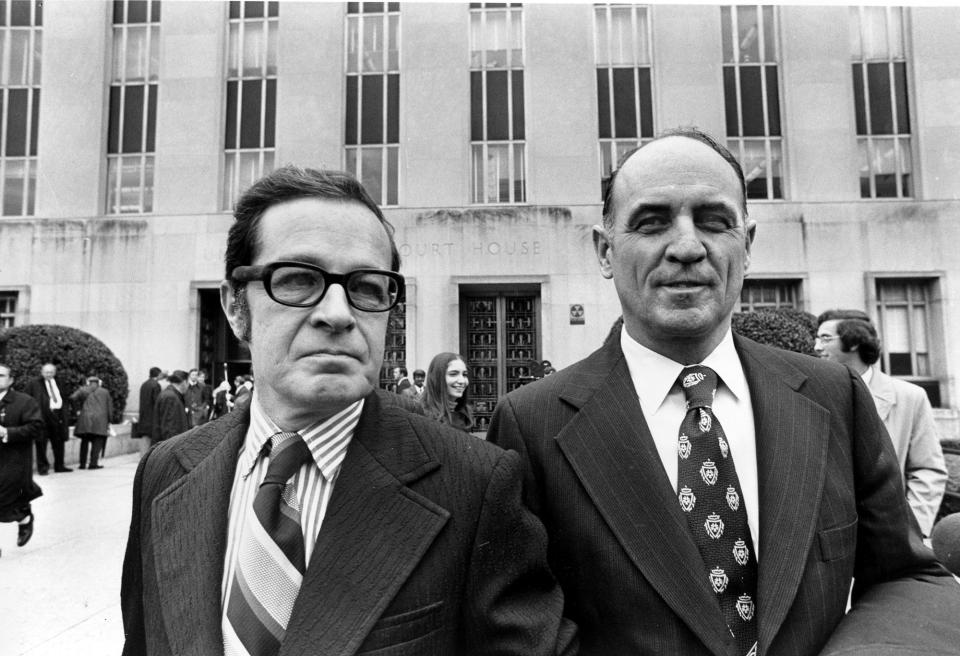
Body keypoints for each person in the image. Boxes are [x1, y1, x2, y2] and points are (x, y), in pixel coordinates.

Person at [487, 128, 960, 655]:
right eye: (652, 222)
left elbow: (908, 578)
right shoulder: (531, 425)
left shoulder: (834, 395)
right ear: (604, 251)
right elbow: (521, 628)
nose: (688, 247)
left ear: (748, 245)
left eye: (714, 221)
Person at [121, 166, 574, 656]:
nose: (337, 314)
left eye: (365, 288)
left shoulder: (479, 484)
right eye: (296, 279)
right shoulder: (164, 472)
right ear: (235, 306)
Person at [815, 309, 947, 537]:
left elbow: (928, 470)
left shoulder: (909, 397)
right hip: (827, 540)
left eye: (825, 338)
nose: (816, 347)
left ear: (854, 342)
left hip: (888, 539)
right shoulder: (811, 394)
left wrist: (910, 530)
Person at [0, 362, 43, 547]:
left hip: (13, 461)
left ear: (11, 380)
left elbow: (36, 427)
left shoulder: (25, 402)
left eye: (1, 375)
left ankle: (25, 517)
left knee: (6, 502)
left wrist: (7, 433)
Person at [25, 362, 72, 474]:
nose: (49, 374)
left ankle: (59, 466)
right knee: (41, 443)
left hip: (58, 416)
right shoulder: (34, 383)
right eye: (46, 372)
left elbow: (65, 398)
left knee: (59, 442)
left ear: (54, 373)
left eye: (51, 372)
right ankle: (43, 467)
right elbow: (27, 399)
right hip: (42, 416)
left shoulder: (60, 382)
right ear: (42, 372)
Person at [421, 352, 473, 433]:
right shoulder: (421, 415)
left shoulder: (465, 412)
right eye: (453, 374)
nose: (462, 381)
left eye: (465, 374)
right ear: (437, 378)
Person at [69, 376, 114, 470]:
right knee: (97, 443)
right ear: (98, 383)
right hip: (100, 420)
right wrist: (109, 420)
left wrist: (76, 411)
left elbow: (72, 398)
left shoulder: (83, 390)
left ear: (88, 382)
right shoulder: (105, 392)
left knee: (84, 442)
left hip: (85, 419)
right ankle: (93, 464)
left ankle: (82, 464)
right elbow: (109, 408)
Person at [152, 370, 189, 444]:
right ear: (184, 382)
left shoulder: (171, 395)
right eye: (188, 383)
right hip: (169, 447)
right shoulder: (170, 397)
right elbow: (169, 428)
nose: (188, 386)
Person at [136, 367, 163, 441]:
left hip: (144, 418)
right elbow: (157, 402)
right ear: (158, 374)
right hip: (152, 419)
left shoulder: (144, 384)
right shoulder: (156, 385)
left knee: (145, 443)